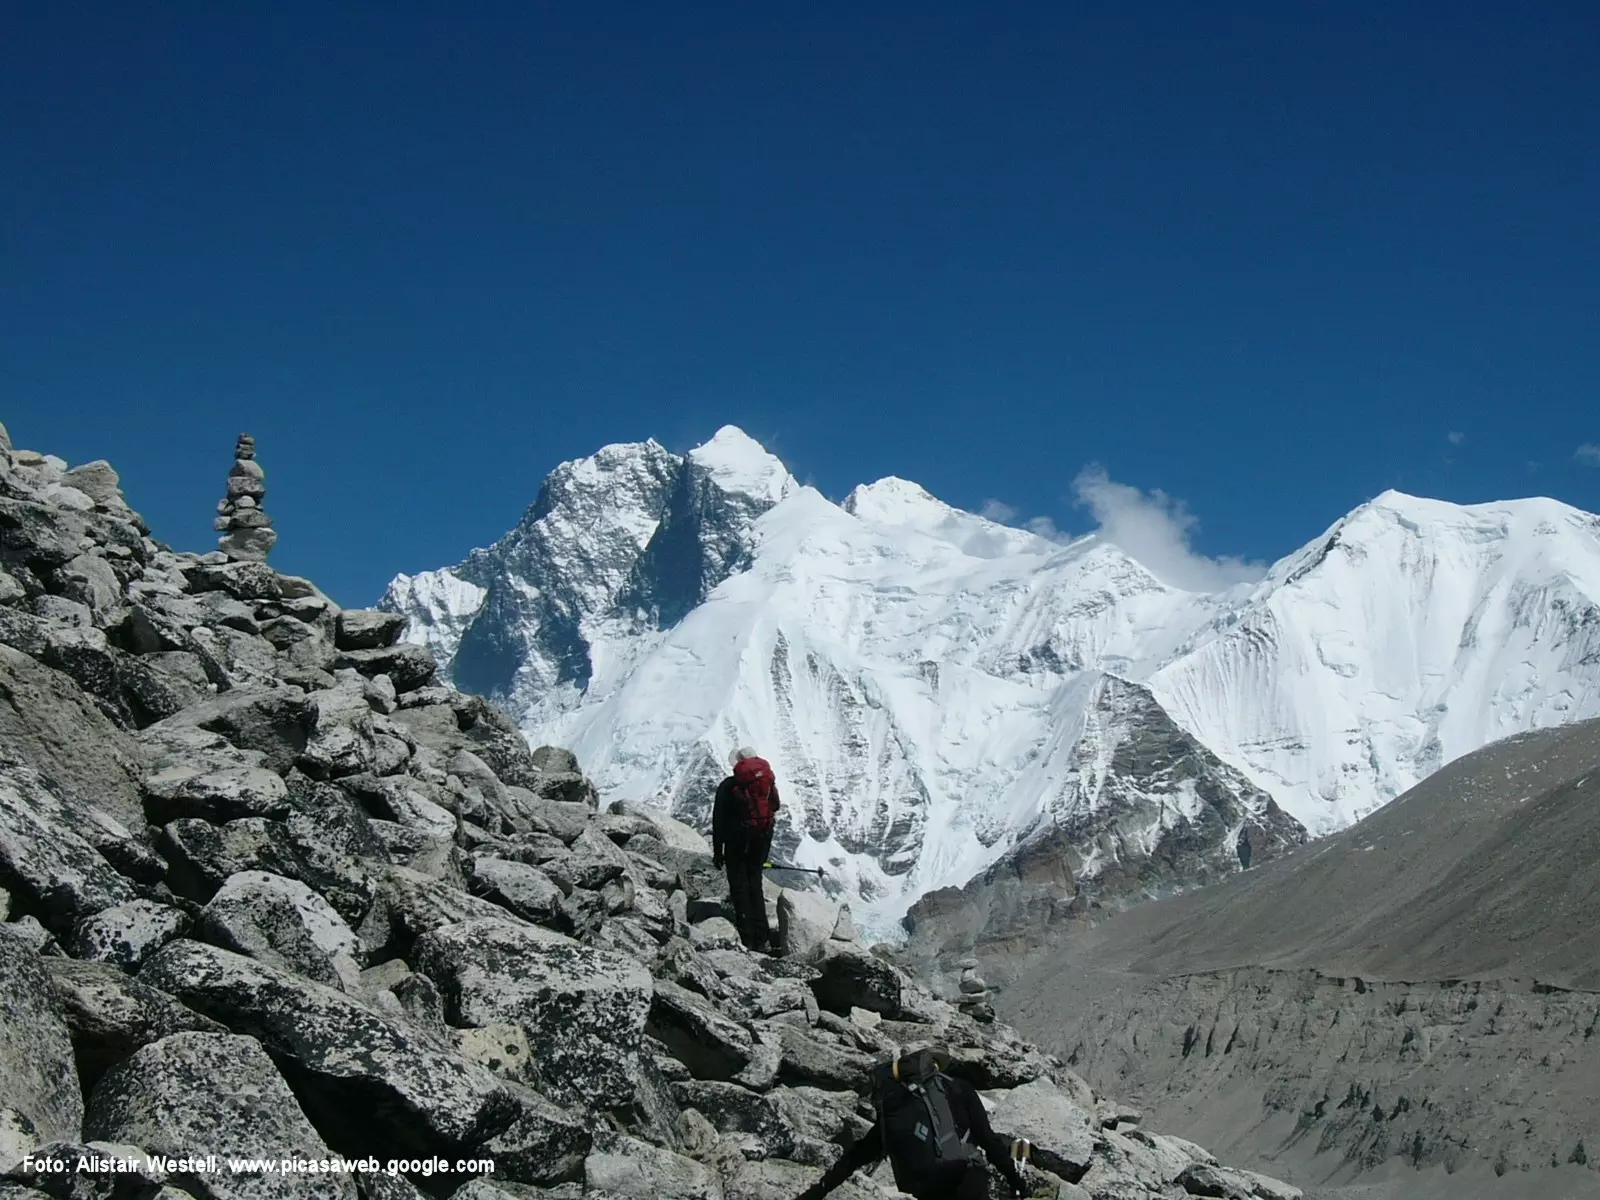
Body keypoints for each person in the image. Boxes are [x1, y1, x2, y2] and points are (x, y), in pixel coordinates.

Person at [793, 1047, 1029, 1200]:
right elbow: (989, 1140)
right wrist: (1016, 1181)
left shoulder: (898, 1109)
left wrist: (817, 1191)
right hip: (966, 1182)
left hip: (927, 1189)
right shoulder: (958, 1088)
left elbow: (855, 1157)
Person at [711, 746, 780, 951]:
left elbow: (719, 822)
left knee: (739, 886)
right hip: (761, 838)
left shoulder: (728, 787)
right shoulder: (766, 783)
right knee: (754, 884)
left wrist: (718, 852)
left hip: (736, 841)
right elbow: (775, 807)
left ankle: (747, 938)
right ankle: (762, 936)